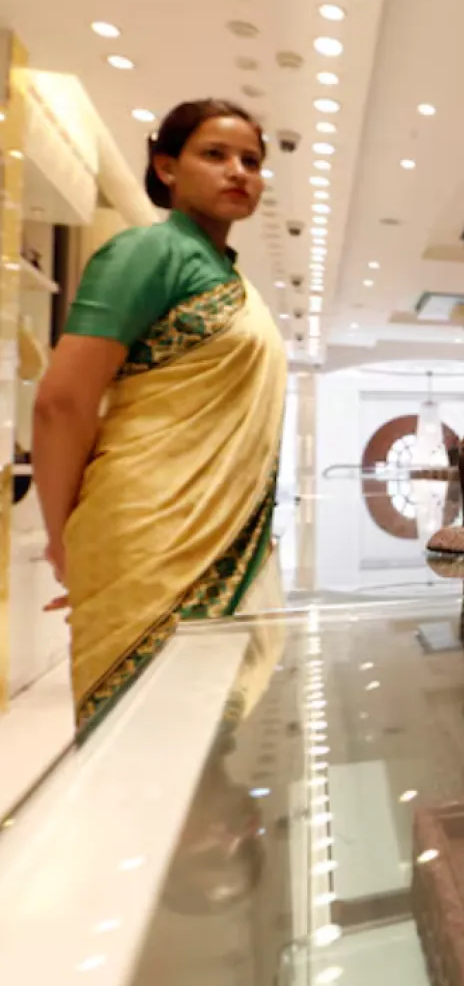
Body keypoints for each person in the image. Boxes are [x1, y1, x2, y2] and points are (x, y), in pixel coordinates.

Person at [33, 99, 286, 727]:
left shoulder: (230, 280)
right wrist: (65, 541)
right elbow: (62, 403)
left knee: (206, 744)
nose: (238, 171)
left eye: (251, 161)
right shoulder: (149, 252)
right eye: (215, 154)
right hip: (146, 535)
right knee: (144, 741)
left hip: (220, 536)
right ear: (166, 168)